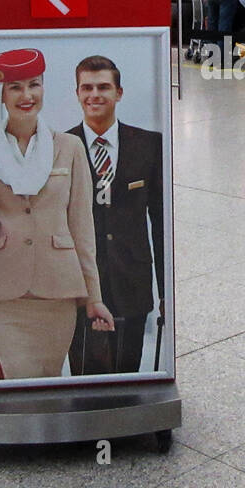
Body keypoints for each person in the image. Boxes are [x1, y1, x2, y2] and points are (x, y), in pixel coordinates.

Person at [0, 48, 114, 381]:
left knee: (47, 381)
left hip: (57, 294)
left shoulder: (70, 148)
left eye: (34, 84)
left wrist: (94, 297)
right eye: (15, 87)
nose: (27, 95)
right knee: (12, 382)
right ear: (0, 94)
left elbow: (81, 227)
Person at [65, 56, 165, 376]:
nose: (95, 94)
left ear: (119, 93)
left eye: (104, 87)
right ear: (77, 93)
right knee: (83, 376)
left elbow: (161, 222)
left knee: (127, 375)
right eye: (87, 87)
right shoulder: (59, 148)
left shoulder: (150, 144)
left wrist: (165, 292)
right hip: (76, 286)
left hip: (131, 281)